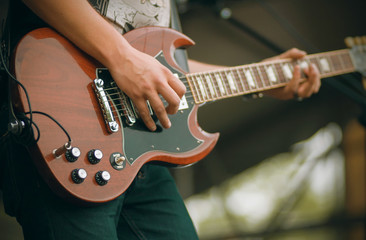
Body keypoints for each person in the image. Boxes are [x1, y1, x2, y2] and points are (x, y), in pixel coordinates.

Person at [0, 0, 320, 239]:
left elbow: (165, 73)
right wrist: (122, 58)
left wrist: (260, 81)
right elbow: (131, 65)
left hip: (138, 158)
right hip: (61, 137)